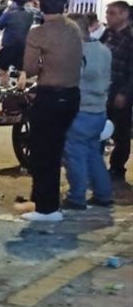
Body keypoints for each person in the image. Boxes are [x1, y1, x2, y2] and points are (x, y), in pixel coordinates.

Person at [20, 0, 85, 222]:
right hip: (72, 95)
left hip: (50, 96)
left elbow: (29, 69)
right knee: (55, 150)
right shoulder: (74, 28)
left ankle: (47, 209)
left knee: (43, 152)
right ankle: (44, 201)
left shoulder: (38, 33)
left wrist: (42, 65)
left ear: (40, 6)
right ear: (64, 6)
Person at [61, 12, 113, 209]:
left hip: (80, 110)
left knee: (75, 156)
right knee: (93, 154)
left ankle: (76, 197)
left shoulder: (76, 52)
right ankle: (103, 194)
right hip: (99, 111)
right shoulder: (103, 49)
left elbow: (69, 82)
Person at [101, 1, 132, 184]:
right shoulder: (108, 34)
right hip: (102, 90)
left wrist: (124, 93)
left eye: (112, 13)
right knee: (99, 128)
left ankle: (117, 169)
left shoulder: (130, 38)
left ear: (124, 15)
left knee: (120, 133)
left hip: (120, 92)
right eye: (108, 13)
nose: (108, 16)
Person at [0, 0, 36, 71]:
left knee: (3, 68)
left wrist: (6, 11)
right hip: (23, 45)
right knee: (20, 68)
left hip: (9, 45)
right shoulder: (29, 14)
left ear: (14, 3)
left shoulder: (8, 14)